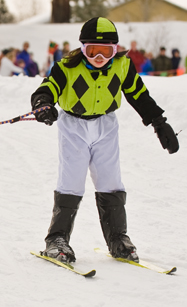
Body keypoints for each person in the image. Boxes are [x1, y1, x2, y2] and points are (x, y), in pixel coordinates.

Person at [29, 17, 179, 264]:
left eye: (106, 51)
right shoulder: (66, 67)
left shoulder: (122, 67)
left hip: (106, 126)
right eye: (92, 51)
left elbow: (139, 95)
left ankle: (118, 238)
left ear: (115, 49)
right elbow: (47, 88)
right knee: (71, 181)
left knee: (111, 180)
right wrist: (42, 104)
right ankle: (57, 239)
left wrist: (159, 122)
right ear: (82, 48)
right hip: (74, 127)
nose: (99, 57)